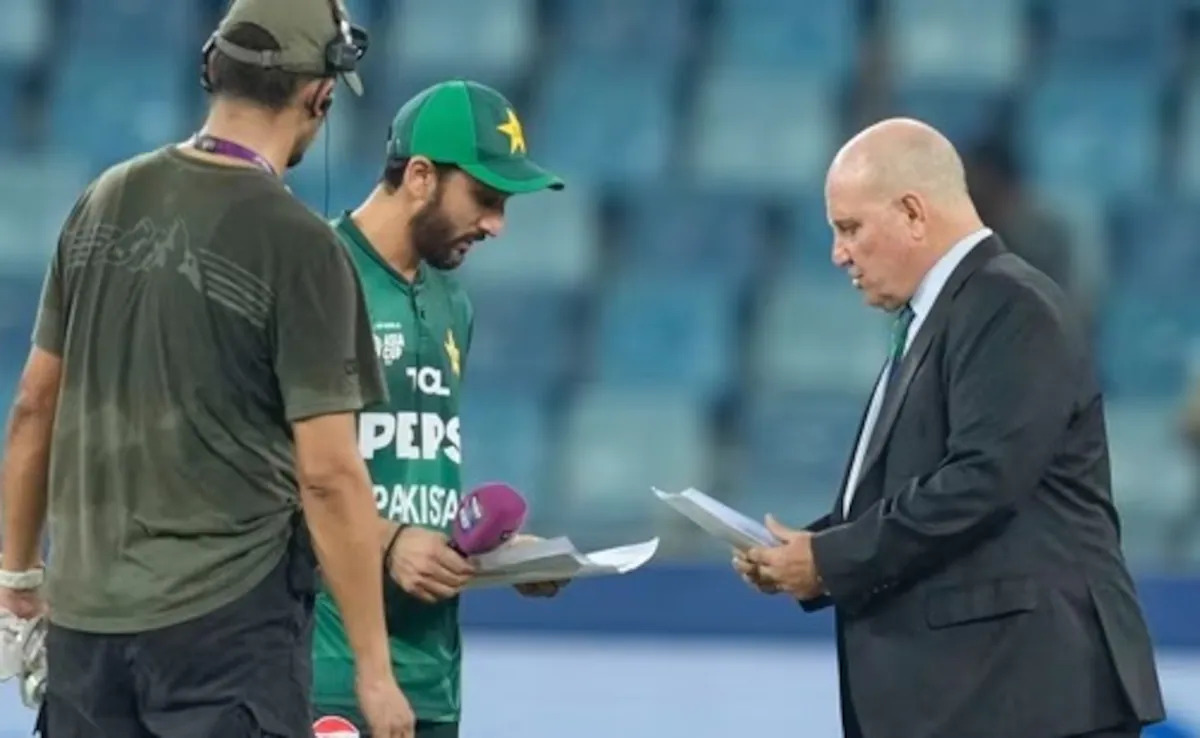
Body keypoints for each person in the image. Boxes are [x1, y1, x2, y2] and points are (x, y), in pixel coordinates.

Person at [0, 0, 417, 736]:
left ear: (211, 71)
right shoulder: (300, 245)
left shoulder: (101, 200)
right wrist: (374, 673)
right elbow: (327, 474)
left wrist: (18, 579)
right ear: (320, 95)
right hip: (226, 638)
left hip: (85, 630)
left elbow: (34, 406)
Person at [733, 118, 1165, 738]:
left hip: (1028, 697)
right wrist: (805, 549)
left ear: (912, 212)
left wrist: (829, 559)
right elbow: (923, 479)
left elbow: (981, 480)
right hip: (980, 695)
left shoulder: (1012, 306)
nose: (838, 253)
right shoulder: (948, 313)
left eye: (850, 228)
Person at [310, 80, 568, 737]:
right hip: (329, 667)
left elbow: (411, 468)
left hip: (431, 676)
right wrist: (391, 542)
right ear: (420, 176)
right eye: (484, 198)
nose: (496, 225)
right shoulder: (317, 275)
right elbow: (278, 475)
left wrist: (497, 557)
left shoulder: (454, 302)